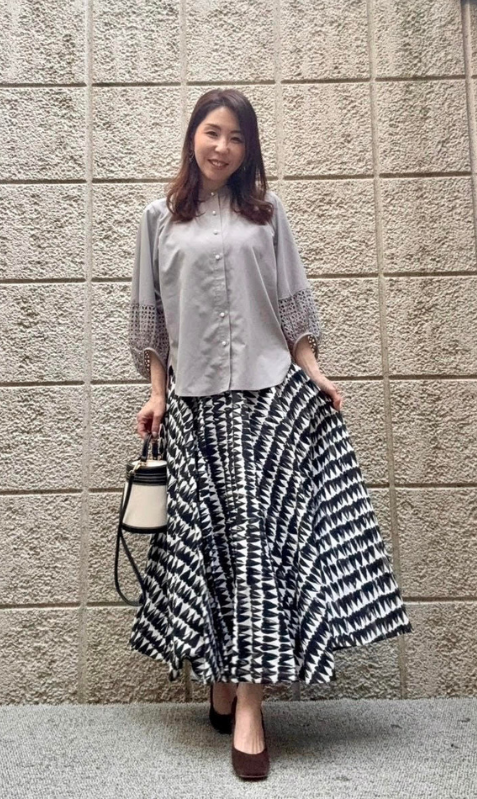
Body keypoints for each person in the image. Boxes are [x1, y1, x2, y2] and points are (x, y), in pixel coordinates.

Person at [126, 88, 413, 781]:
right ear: (193, 137)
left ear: (248, 149)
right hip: (197, 407)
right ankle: (222, 681)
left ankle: (249, 707)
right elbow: (151, 316)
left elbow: (291, 302)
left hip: (269, 400)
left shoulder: (267, 213)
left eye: (236, 137)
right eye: (212, 132)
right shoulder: (158, 219)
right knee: (215, 551)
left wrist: (314, 371)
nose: (221, 147)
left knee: (260, 548)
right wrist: (157, 393)